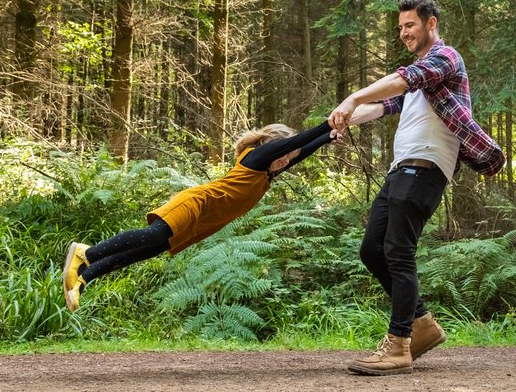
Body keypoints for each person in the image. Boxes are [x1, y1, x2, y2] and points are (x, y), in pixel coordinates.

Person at [328, 0, 505, 376]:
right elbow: (385, 105)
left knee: (397, 249)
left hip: (426, 168)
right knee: (372, 249)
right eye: (400, 27)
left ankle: (398, 344)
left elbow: (405, 79)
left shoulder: (445, 59)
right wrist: (345, 118)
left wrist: (353, 95)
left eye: (410, 25)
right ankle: (422, 324)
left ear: (431, 24)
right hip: (400, 169)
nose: (404, 32)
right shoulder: (418, 75)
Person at [62, 121, 339, 312]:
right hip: (196, 204)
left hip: (204, 221)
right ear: (272, 147)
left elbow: (302, 149)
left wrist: (328, 137)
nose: (286, 161)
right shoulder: (257, 157)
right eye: (285, 154)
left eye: (290, 158)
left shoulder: (270, 170)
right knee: (153, 236)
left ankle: (84, 277)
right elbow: (300, 141)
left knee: (150, 250)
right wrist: (327, 125)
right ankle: (87, 253)